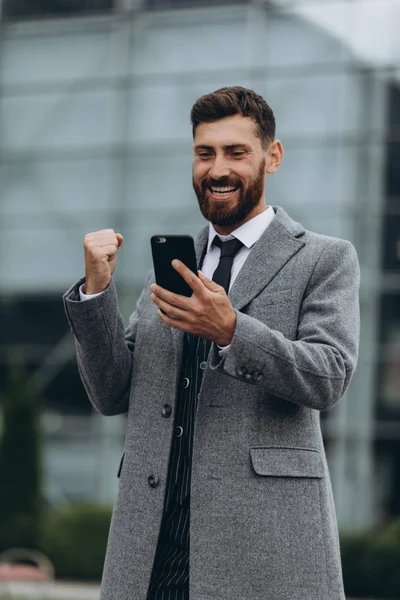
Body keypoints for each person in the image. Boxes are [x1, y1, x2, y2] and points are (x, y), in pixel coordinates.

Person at [63, 86, 360, 600]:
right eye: (205, 153)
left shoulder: (324, 259)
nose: (217, 169)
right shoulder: (176, 267)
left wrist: (232, 331)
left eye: (236, 152)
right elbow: (112, 393)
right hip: (149, 548)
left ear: (273, 156)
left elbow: (329, 376)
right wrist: (96, 293)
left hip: (262, 548)